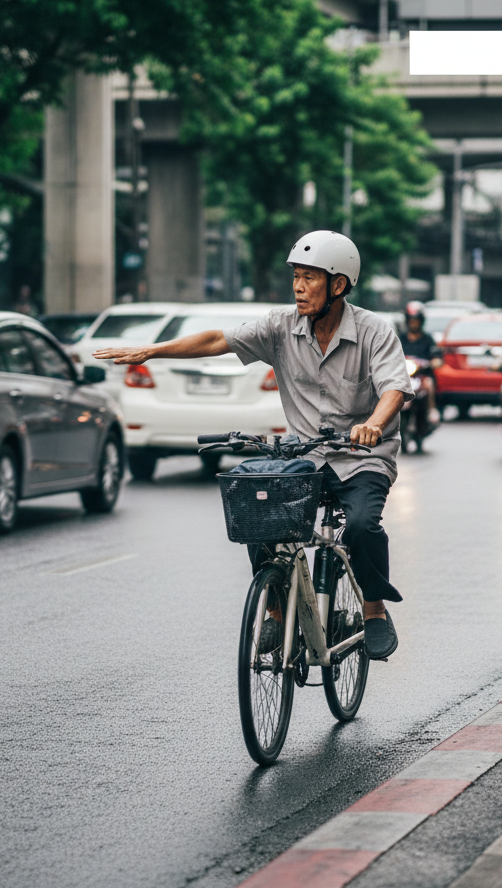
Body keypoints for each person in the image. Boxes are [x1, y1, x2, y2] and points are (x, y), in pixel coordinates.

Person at [92, 230, 413, 661]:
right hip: (306, 456)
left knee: (359, 527)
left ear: (339, 285)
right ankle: (277, 613)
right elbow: (215, 341)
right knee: (256, 504)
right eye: (296, 276)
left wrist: (373, 424)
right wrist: (152, 350)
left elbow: (394, 388)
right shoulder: (280, 326)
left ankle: (373, 612)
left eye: (310, 278)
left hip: (362, 458)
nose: (298, 286)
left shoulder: (375, 331)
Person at [399, 300, 441, 426]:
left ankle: (432, 410)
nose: (414, 324)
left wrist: (432, 363)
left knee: (429, 383)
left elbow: (437, 357)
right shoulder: (400, 339)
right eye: (411, 321)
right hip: (403, 376)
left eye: (416, 321)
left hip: (422, 375)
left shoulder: (427, 339)